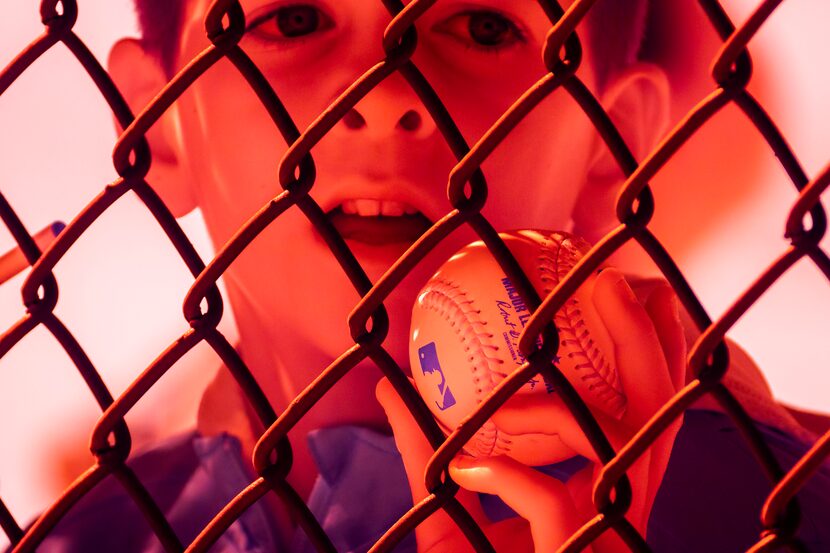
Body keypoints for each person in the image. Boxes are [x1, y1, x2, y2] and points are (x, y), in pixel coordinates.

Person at [31, 1, 829, 552]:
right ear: (156, 126)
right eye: (294, 20)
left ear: (610, 142)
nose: (385, 92)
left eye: (482, 26)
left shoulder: (789, 504)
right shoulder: (92, 531)